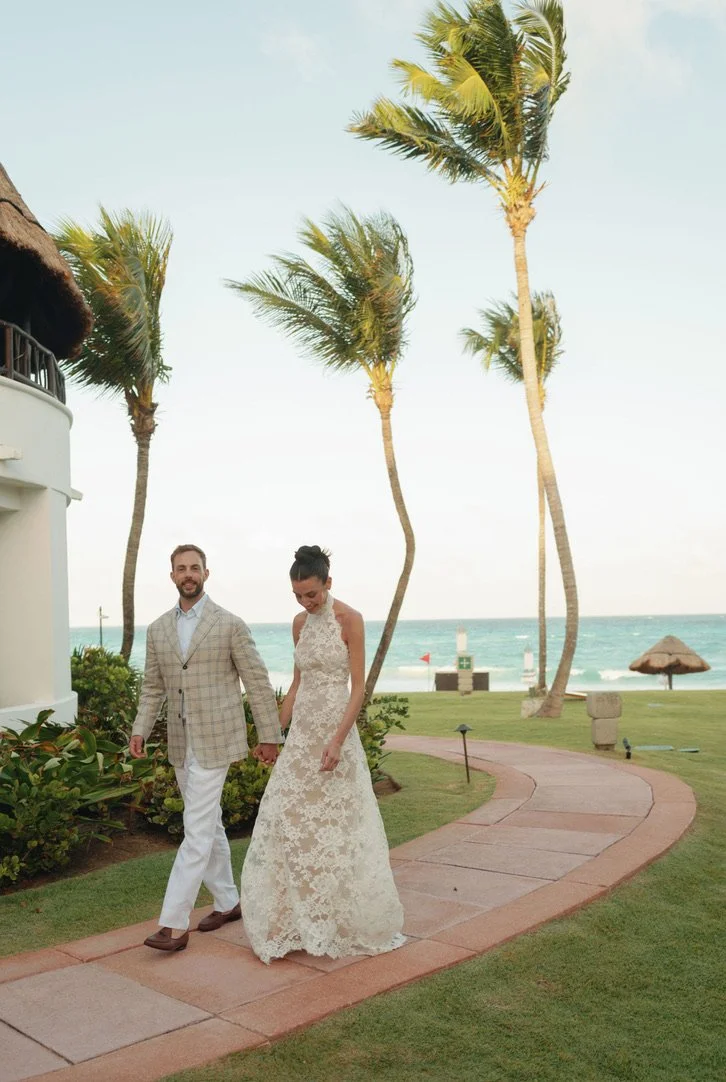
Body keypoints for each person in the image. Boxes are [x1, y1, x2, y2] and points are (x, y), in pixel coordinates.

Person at [240, 545, 405, 963]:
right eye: (298, 596)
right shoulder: (299, 624)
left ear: (328, 583)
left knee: (339, 826)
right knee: (291, 821)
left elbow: (358, 687)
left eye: (312, 594)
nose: (306, 603)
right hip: (301, 739)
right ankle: (296, 919)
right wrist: (272, 733)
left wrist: (337, 740)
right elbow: (296, 685)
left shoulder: (350, 620)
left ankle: (338, 920)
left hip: (336, 734)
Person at [130, 544, 282, 951]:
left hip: (218, 739)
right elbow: (152, 686)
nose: (188, 574)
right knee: (208, 824)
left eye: (194, 567)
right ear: (172, 576)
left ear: (206, 573)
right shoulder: (158, 629)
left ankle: (173, 924)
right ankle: (229, 901)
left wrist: (269, 735)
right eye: (181, 569)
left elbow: (257, 681)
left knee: (195, 829)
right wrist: (140, 728)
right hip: (181, 743)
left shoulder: (229, 624)